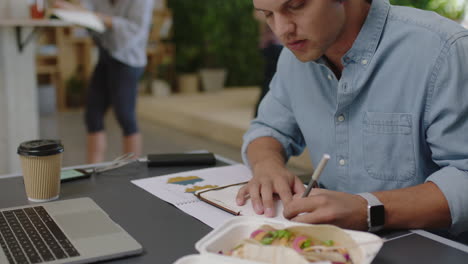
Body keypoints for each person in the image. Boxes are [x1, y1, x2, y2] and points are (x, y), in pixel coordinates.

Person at [237, 0, 468, 236]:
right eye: (267, 14)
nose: (281, 30)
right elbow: (267, 129)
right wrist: (267, 165)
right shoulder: (293, 58)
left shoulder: (444, 51)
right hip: (328, 246)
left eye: (295, 6)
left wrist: (366, 210)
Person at [53, 0, 154, 163]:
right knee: (93, 114)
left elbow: (136, 31)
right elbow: (87, 8)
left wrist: (99, 17)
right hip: (106, 55)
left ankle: (132, 169)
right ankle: (93, 169)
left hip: (129, 59)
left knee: (125, 115)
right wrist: (72, 9)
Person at [253, 10, 283, 117]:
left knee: (272, 82)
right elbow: (259, 15)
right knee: (270, 82)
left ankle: (260, 114)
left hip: (275, 45)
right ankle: (260, 114)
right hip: (273, 46)